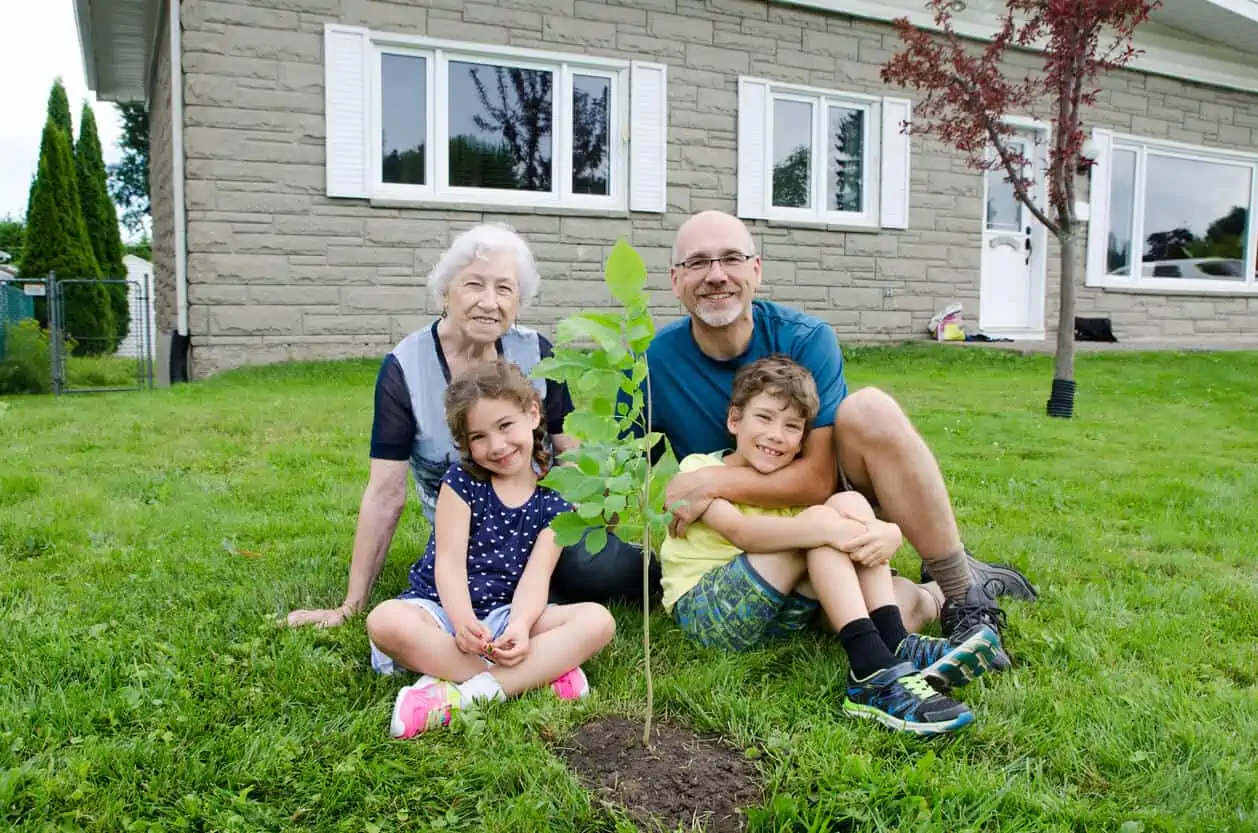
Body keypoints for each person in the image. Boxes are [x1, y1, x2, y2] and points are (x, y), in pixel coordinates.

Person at [649, 210, 1036, 663]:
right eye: (697, 263)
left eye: (731, 258)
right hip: (774, 556)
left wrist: (709, 482)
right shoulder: (658, 359)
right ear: (676, 280)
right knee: (849, 620)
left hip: (828, 507)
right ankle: (925, 596)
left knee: (870, 408)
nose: (716, 275)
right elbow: (616, 456)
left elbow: (815, 479)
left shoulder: (805, 338)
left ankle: (963, 594)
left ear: (756, 269)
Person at [286, 223, 650, 630]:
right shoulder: (405, 368)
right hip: (470, 533)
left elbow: (570, 448)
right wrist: (353, 604)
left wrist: (595, 504)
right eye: (474, 284)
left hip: (540, 518)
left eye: (505, 289)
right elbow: (386, 492)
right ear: (446, 291)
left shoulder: (537, 352)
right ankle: (538, 605)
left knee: (589, 566)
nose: (489, 302)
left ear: (519, 301)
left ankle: (654, 575)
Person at [663, 356, 1000, 735]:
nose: (777, 434)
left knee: (847, 506)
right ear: (734, 421)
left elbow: (836, 535)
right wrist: (827, 529)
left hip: (781, 618)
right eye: (764, 418)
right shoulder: (701, 472)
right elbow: (742, 532)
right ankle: (870, 666)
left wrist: (888, 532)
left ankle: (893, 641)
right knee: (821, 525)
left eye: (792, 427)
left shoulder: (792, 491)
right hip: (711, 613)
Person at [366, 360, 617, 738]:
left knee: (598, 621)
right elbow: (448, 563)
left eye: (505, 426)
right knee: (384, 620)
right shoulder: (462, 482)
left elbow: (536, 577)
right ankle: (533, 676)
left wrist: (518, 624)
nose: (497, 446)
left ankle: (466, 694)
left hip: (507, 613)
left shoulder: (555, 496)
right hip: (442, 609)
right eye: (479, 437)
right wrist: (462, 619)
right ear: (465, 444)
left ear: (533, 413)